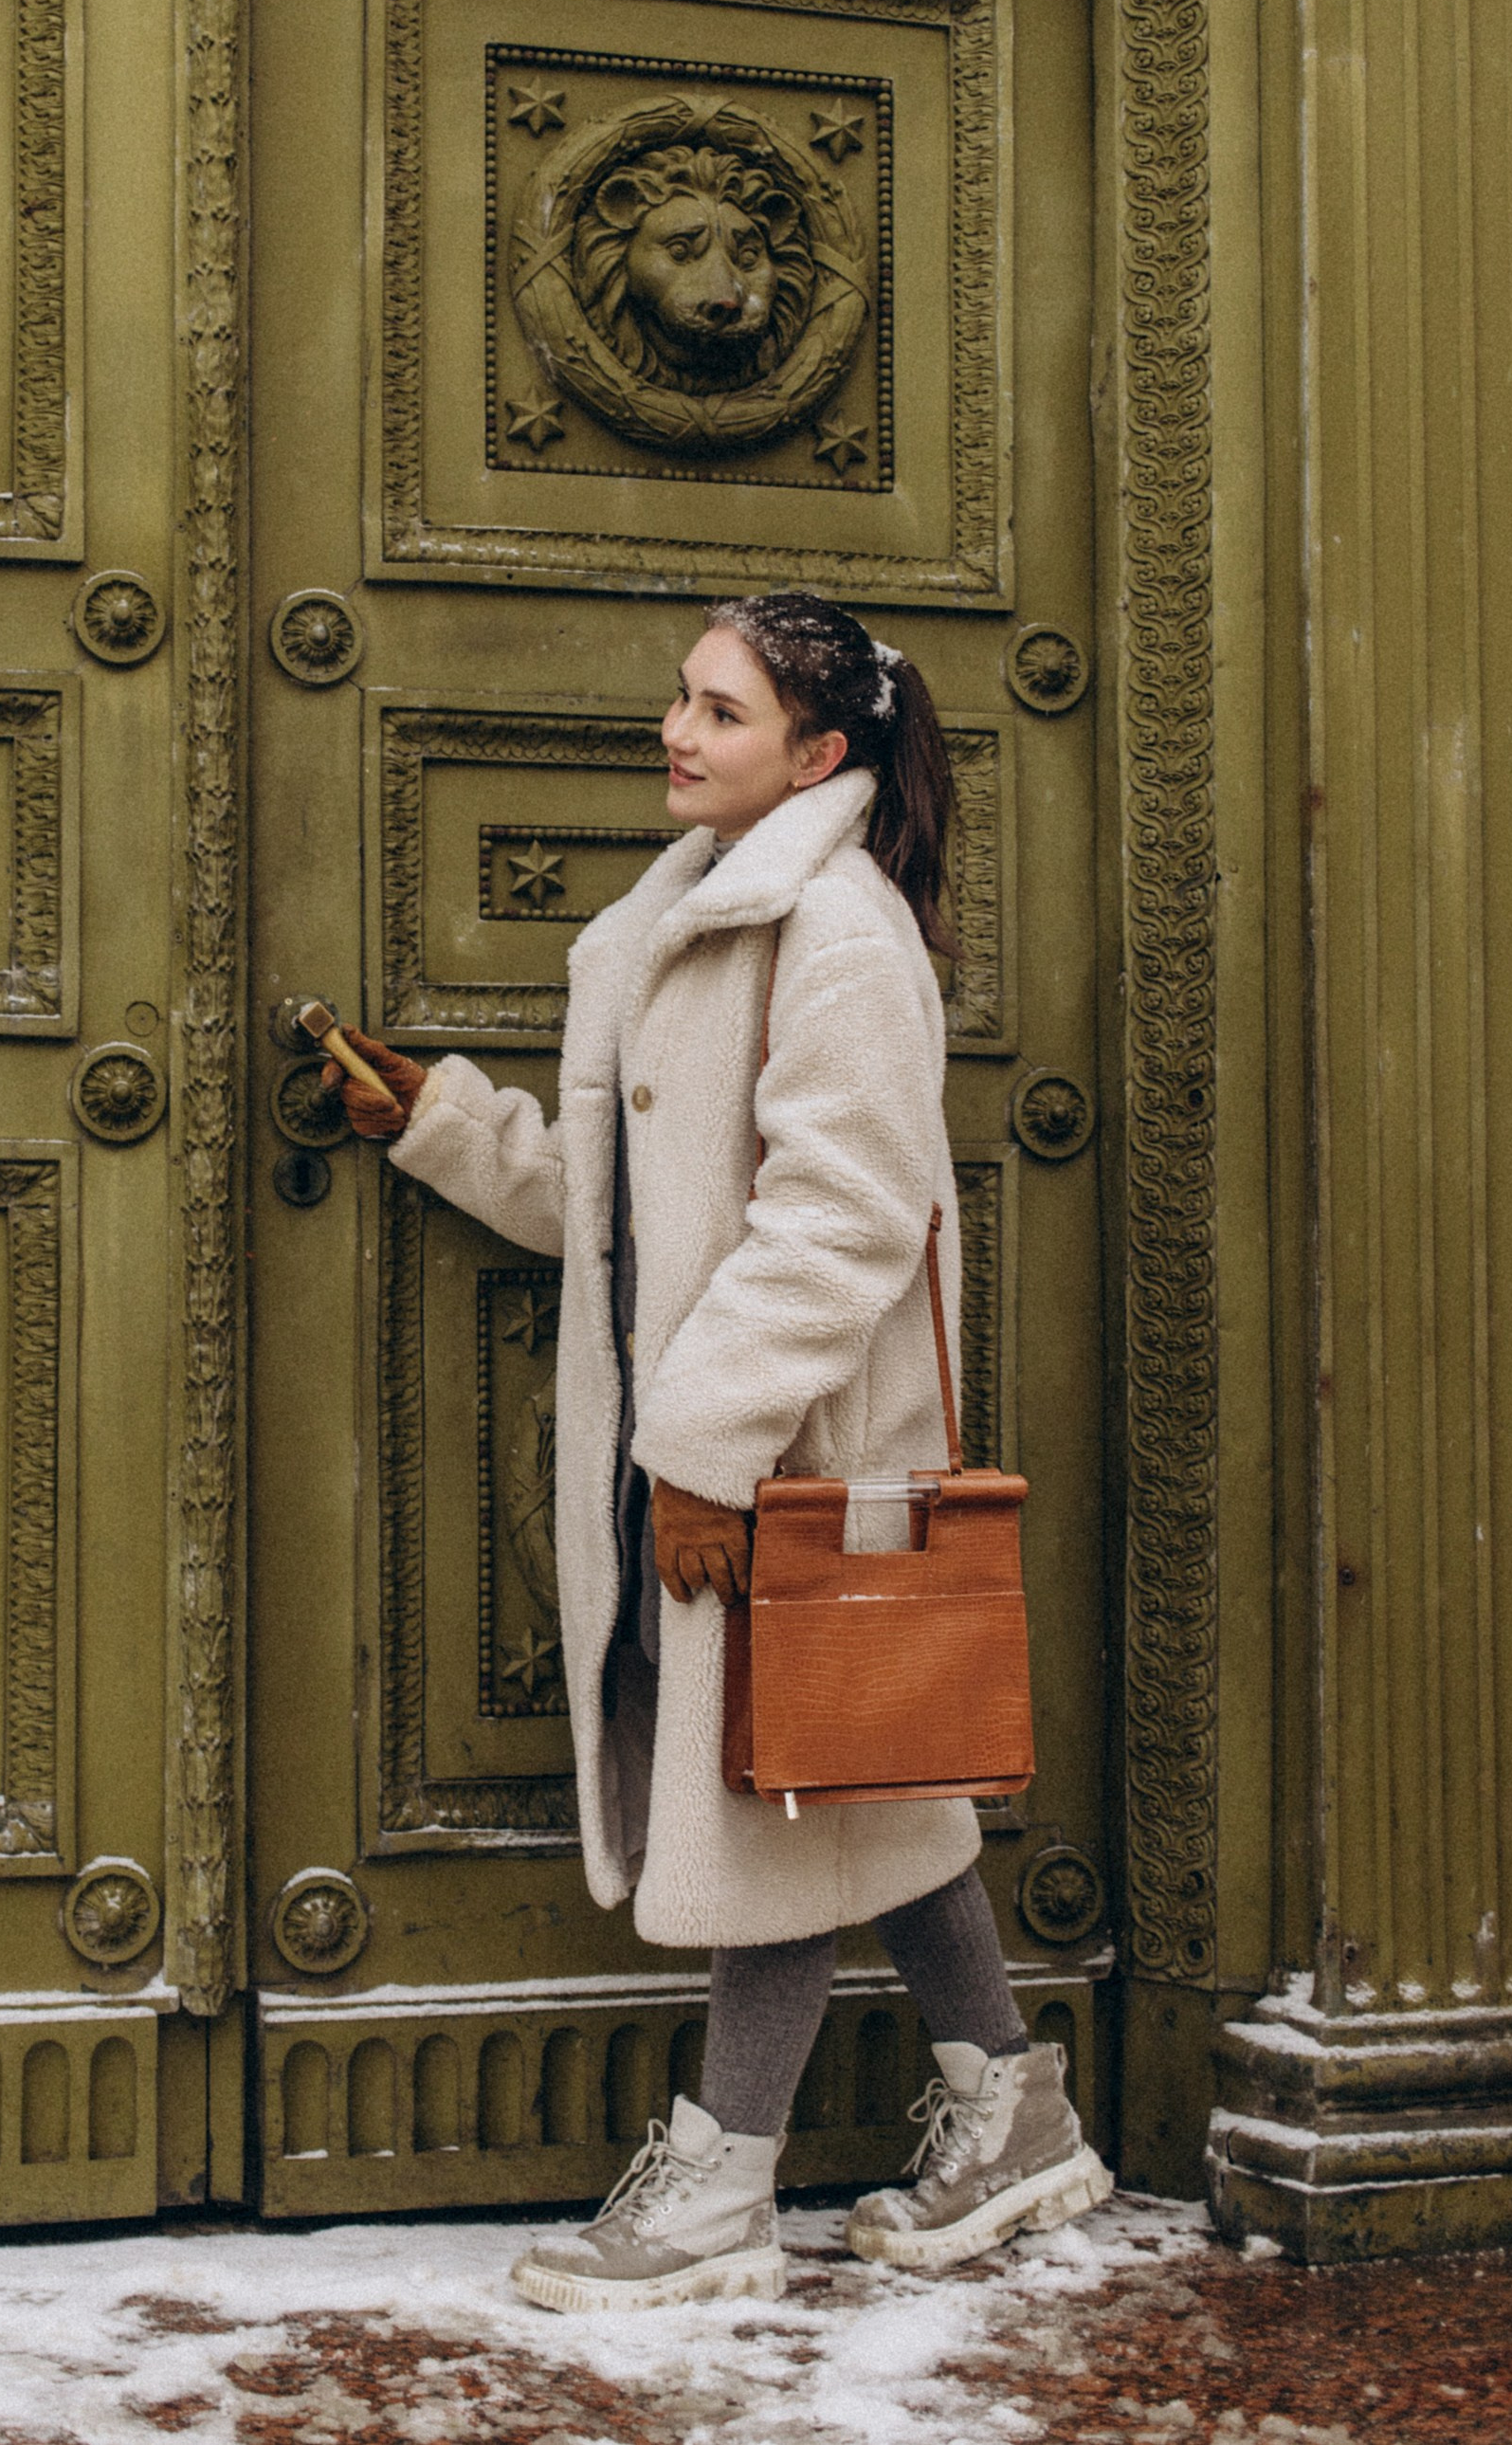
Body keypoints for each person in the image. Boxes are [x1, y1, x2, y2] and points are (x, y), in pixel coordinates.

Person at [325, 591, 1112, 2312]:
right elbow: (627, 1211)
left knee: (773, 1793)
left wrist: (705, 1445)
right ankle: (1012, 2107)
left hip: (794, 1449)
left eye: (722, 711)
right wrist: (441, 1122)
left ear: (819, 754)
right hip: (731, 1439)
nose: (677, 729)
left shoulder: (837, 931)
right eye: (681, 697)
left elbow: (840, 1221)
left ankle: (718, 2184)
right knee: (858, 1782)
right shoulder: (678, 917)